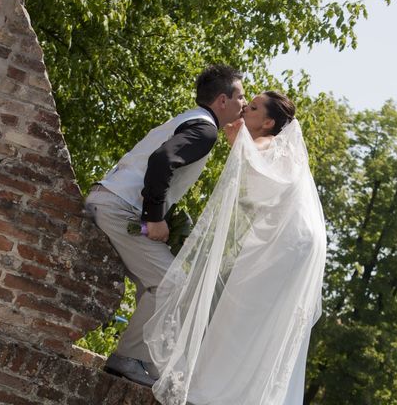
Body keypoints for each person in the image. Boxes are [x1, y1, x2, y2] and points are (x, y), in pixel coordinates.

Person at [144, 91, 327, 405]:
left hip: (284, 244)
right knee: (263, 320)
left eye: (253, 108)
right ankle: (239, 392)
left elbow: (253, 160)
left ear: (268, 122)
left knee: (239, 307)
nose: (245, 109)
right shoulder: (285, 153)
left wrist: (236, 141)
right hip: (296, 243)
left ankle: (212, 390)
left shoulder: (265, 142)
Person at [85, 65, 246, 386]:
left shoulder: (189, 119)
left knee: (158, 283)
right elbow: (161, 161)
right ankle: (126, 358)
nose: (244, 102)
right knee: (174, 284)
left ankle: (144, 360)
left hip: (109, 199)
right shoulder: (205, 130)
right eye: (241, 97)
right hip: (120, 209)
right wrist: (154, 218)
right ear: (223, 100)